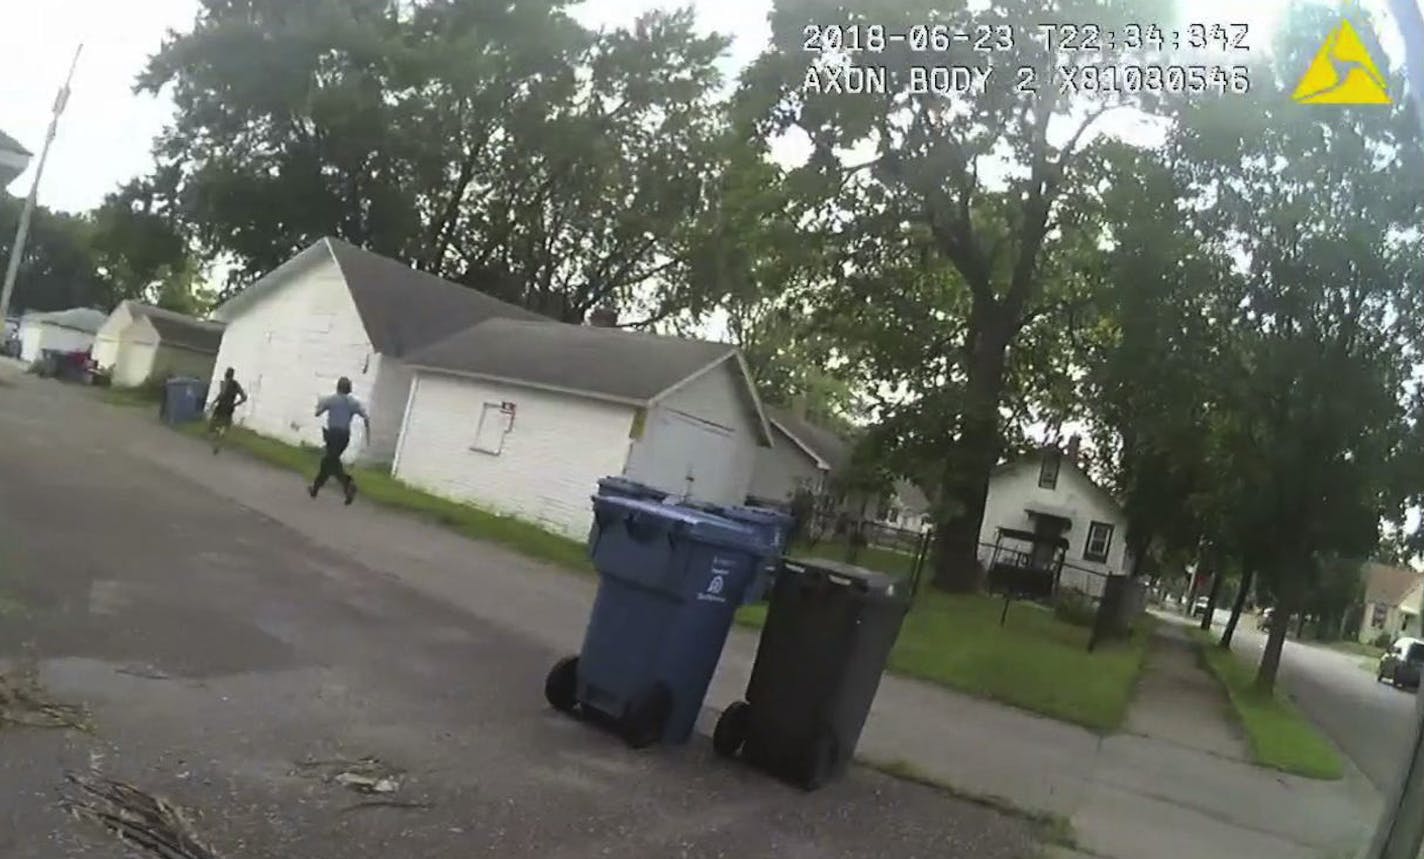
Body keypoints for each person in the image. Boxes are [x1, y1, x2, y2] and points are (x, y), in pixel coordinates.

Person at [310, 376, 368, 505]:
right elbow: (365, 416)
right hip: (344, 437)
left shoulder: (331, 400)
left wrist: (319, 405)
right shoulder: (353, 403)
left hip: (333, 435)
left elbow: (317, 413)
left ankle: (348, 484)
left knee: (330, 461)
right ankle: (315, 488)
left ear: (338, 387)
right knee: (329, 461)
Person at [206, 367, 247, 454]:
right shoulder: (236, 385)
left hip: (221, 406)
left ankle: (216, 439)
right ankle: (220, 437)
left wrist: (213, 403)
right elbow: (244, 397)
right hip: (229, 408)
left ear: (226, 374)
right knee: (225, 426)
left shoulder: (224, 383)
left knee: (212, 426)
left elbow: (221, 395)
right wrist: (235, 404)